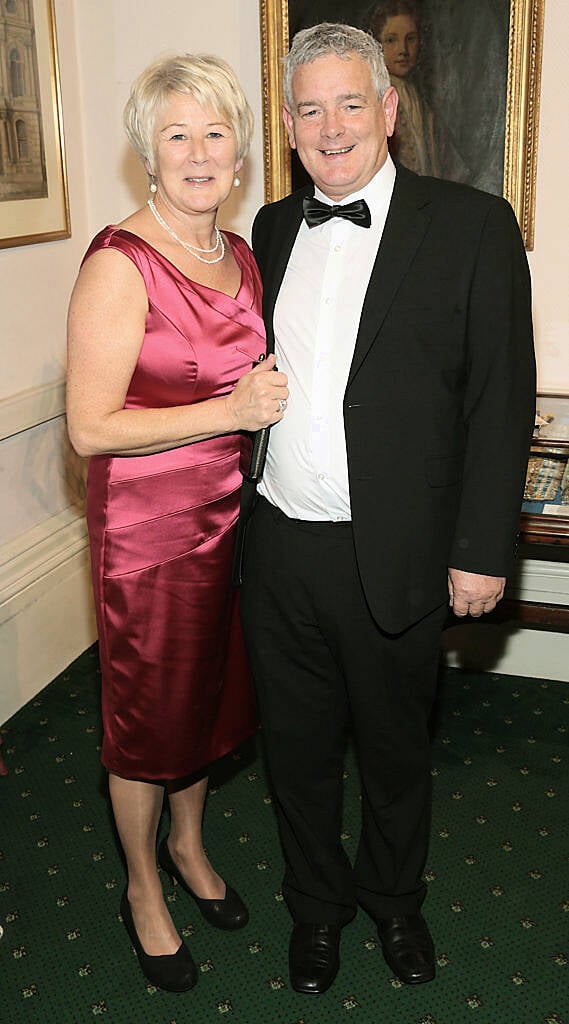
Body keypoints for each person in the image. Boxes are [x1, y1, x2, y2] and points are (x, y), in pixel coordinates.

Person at [239, 22, 535, 996]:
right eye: (309, 109)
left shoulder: (471, 225)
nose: (330, 127)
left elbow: (498, 404)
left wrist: (481, 550)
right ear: (288, 124)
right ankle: (315, 911)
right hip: (278, 550)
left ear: (389, 109)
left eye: (349, 103)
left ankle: (394, 903)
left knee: (397, 754)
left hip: (398, 555)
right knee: (298, 754)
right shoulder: (271, 231)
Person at [66, 53, 288, 993]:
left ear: (240, 151)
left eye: (215, 132)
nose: (199, 153)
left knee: (211, 702)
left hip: (232, 520)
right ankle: (143, 884)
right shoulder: (123, 261)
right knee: (149, 720)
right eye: (176, 135)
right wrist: (225, 416)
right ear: (146, 154)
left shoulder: (237, 252)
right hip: (150, 535)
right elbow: (89, 425)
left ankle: (193, 848)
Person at [369, 0, 438, 175]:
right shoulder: (375, 95)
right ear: (378, 44)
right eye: (391, 40)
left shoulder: (418, 98)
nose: (403, 50)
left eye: (410, 39)